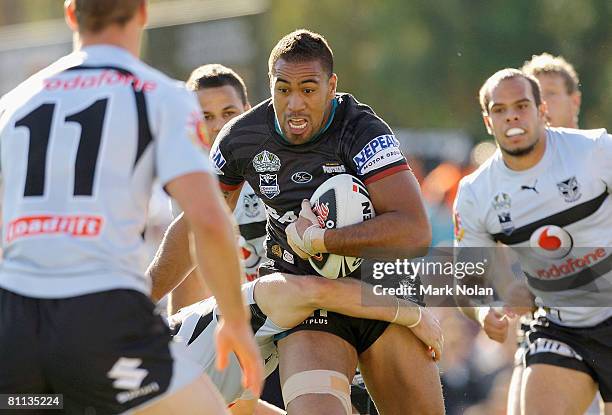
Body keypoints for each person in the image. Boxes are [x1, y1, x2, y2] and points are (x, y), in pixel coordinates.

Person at [149, 29, 444, 415]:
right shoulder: (240, 139)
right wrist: (140, 299)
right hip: (306, 302)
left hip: (380, 289)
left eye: (308, 89)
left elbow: (414, 231)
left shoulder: (362, 130)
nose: (294, 104)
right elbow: (196, 225)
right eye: (283, 89)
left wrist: (322, 239)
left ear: (331, 86)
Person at [0, 1, 262, 413]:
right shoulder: (161, 95)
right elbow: (208, 219)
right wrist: (234, 319)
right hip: (103, 319)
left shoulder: (14, 102)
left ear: (71, 14)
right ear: (142, 12)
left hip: (13, 325)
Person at [454, 68, 612, 414]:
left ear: (542, 111)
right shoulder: (476, 192)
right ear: (487, 120)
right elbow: (466, 279)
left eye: (522, 105)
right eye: (499, 109)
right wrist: (484, 313)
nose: (511, 114)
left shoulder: (595, 151)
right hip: (560, 327)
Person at [162, 272, 442, 414]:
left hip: (362, 284)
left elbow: (316, 291)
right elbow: (243, 409)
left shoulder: (254, 304)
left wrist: (413, 316)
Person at [167, 64, 266, 314]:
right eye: (206, 116)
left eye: (229, 113)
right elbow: (188, 276)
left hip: (283, 296)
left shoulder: (274, 161)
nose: (218, 126)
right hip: (232, 308)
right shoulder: (187, 180)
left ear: (247, 111)